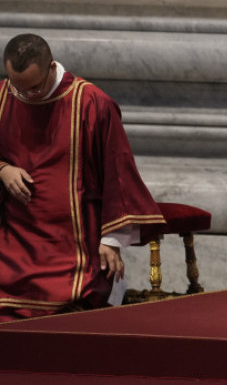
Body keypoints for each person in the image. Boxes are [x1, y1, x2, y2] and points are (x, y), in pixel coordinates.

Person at [0, 34, 166, 321]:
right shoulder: (4, 96)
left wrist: (111, 240)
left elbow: (118, 173)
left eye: (34, 88)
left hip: (74, 243)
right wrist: (2, 169)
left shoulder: (91, 103)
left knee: (75, 302)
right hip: (15, 236)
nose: (25, 95)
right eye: (18, 86)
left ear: (52, 68)